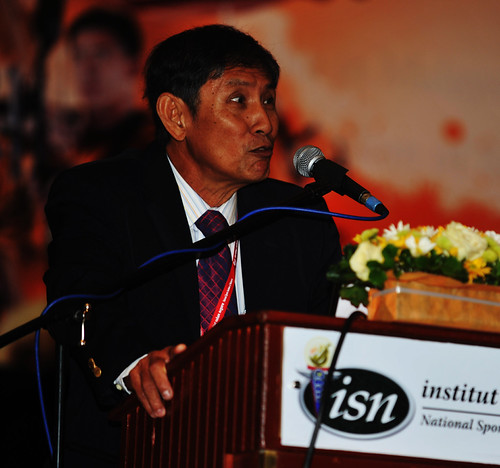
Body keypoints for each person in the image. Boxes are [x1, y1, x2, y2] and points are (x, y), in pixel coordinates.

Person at [44, 24, 342, 467]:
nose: (265, 122)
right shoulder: (101, 195)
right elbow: (79, 297)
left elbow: (329, 336)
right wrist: (136, 364)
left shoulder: (298, 215)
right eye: (239, 100)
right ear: (176, 116)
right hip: (135, 449)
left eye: (268, 100)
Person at [40, 7, 154, 190]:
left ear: (133, 65)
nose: (87, 68)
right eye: (78, 55)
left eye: (101, 54)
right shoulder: (72, 138)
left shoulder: (150, 144)